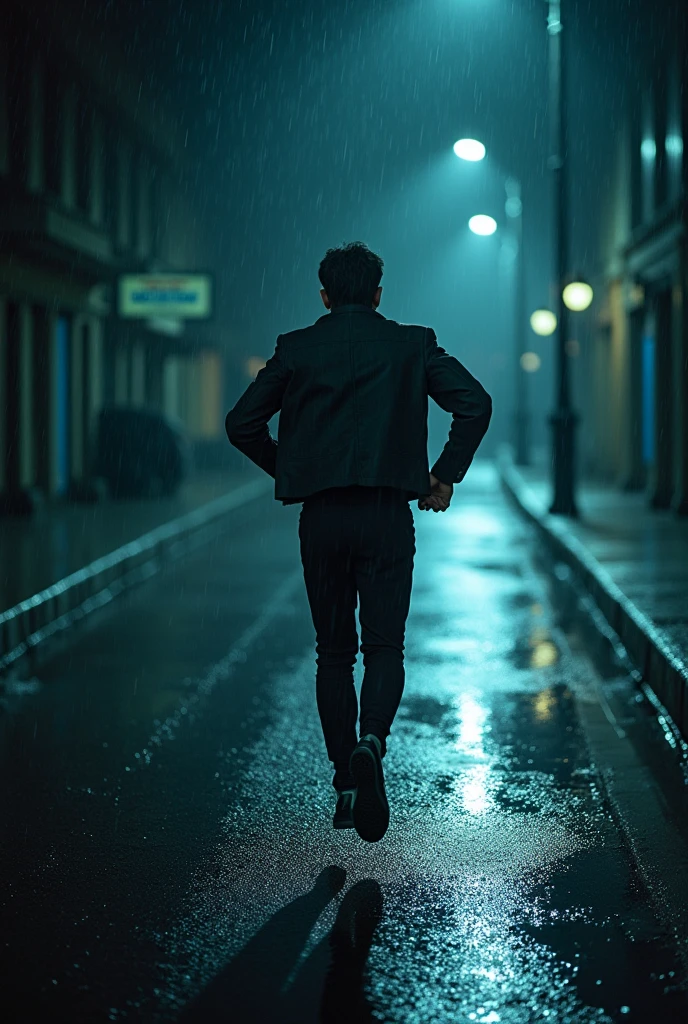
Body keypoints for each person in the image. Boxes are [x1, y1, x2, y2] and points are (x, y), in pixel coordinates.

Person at [225, 242, 492, 842]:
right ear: (378, 294)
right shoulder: (411, 344)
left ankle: (346, 782)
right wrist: (443, 474)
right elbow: (475, 404)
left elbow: (241, 423)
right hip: (385, 514)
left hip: (321, 518)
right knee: (384, 647)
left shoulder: (296, 348)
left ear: (324, 295)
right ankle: (372, 740)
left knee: (332, 653)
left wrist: (293, 468)